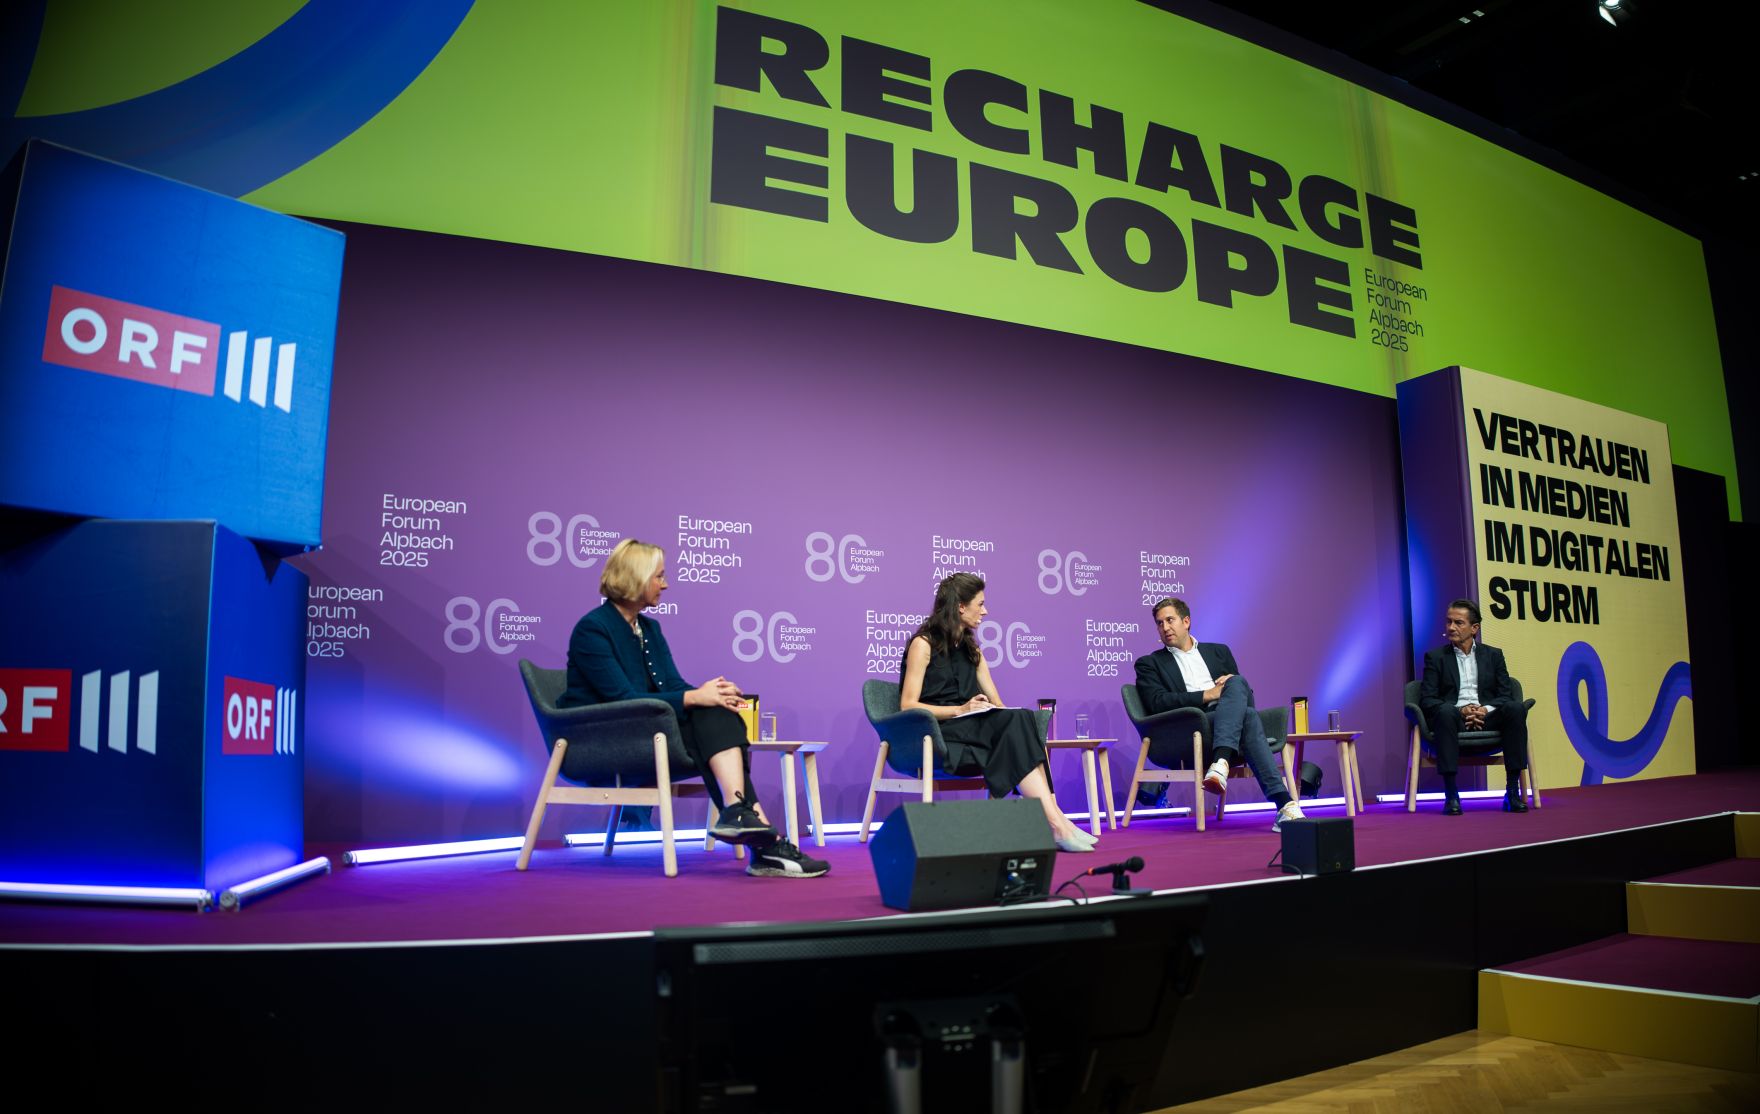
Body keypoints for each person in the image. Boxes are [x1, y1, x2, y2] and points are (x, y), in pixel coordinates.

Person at [559, 539, 830, 877]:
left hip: (647, 730)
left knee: (718, 710)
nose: (665, 584)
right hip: (603, 739)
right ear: (635, 577)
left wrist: (711, 693)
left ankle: (743, 818)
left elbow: (671, 686)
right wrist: (696, 697)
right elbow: (621, 699)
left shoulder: (649, 628)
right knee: (707, 711)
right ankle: (763, 841)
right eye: (659, 576)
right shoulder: (593, 628)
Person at [899, 573, 1097, 853]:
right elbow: (908, 705)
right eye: (980, 604)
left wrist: (1008, 719)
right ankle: (1055, 823)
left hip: (974, 727)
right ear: (960, 607)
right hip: (940, 731)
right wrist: (961, 709)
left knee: (1023, 719)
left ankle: (1057, 820)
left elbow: (997, 701)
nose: (986, 611)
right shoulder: (924, 643)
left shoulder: (972, 650)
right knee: (1017, 724)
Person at [1133, 598, 1304, 831]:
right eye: (1159, 623)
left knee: (1239, 687)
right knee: (1249, 717)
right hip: (1189, 728)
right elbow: (1157, 703)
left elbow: (1245, 699)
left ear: (1186, 621)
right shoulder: (1149, 663)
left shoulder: (1219, 652)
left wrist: (1231, 685)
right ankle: (1282, 804)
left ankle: (1222, 764)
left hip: (1226, 720)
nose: (1165, 628)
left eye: (1170, 620)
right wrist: (1209, 694)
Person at [1419, 598, 1530, 815]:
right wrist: (1462, 710)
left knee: (1516, 709)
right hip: (1454, 718)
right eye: (1448, 622)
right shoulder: (1436, 657)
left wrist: (1483, 710)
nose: (1451, 627)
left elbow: (1505, 694)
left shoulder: (1494, 655)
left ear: (1474, 628)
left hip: (1487, 715)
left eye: (1458, 623)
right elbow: (1428, 699)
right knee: (1444, 711)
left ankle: (1512, 791)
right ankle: (1451, 795)